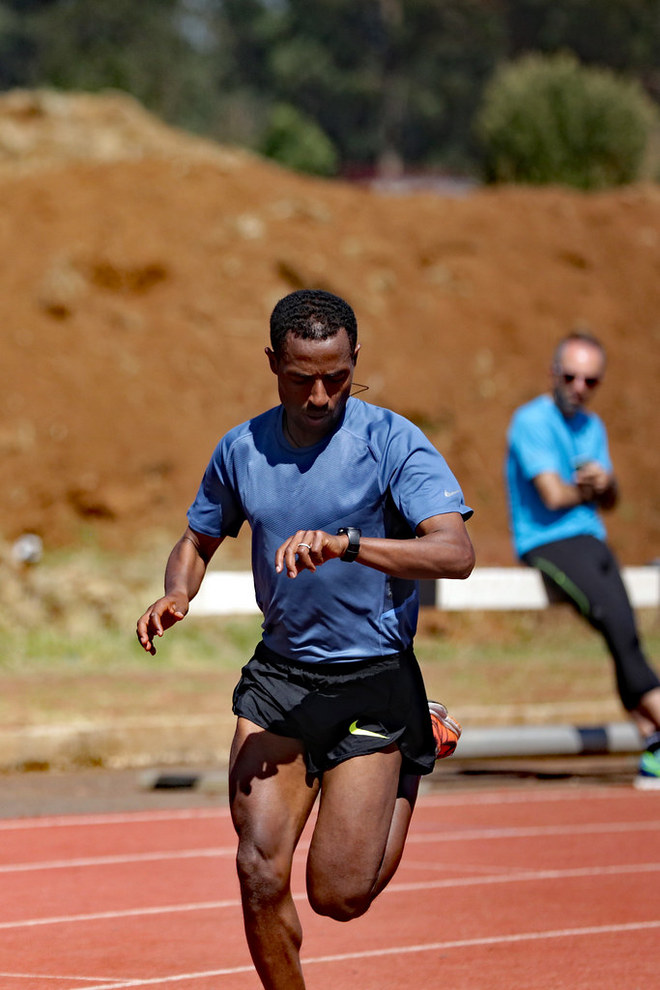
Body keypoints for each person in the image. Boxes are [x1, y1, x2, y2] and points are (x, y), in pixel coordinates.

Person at [136, 289, 475, 989]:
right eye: (301, 379)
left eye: (337, 377)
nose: (320, 396)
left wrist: (349, 544)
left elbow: (455, 553)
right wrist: (178, 591)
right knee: (258, 870)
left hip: (372, 682)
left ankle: (416, 747)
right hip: (281, 678)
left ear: (356, 361)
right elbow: (197, 539)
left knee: (339, 897)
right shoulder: (242, 448)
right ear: (273, 364)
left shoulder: (392, 442)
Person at [506, 331, 660, 789]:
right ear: (553, 372)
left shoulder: (592, 427)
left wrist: (604, 484)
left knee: (625, 635)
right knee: (618, 630)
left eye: (590, 380)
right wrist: (589, 488)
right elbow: (553, 496)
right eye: (571, 376)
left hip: (592, 540)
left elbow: (608, 499)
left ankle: (652, 741)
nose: (579, 387)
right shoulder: (531, 421)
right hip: (549, 542)